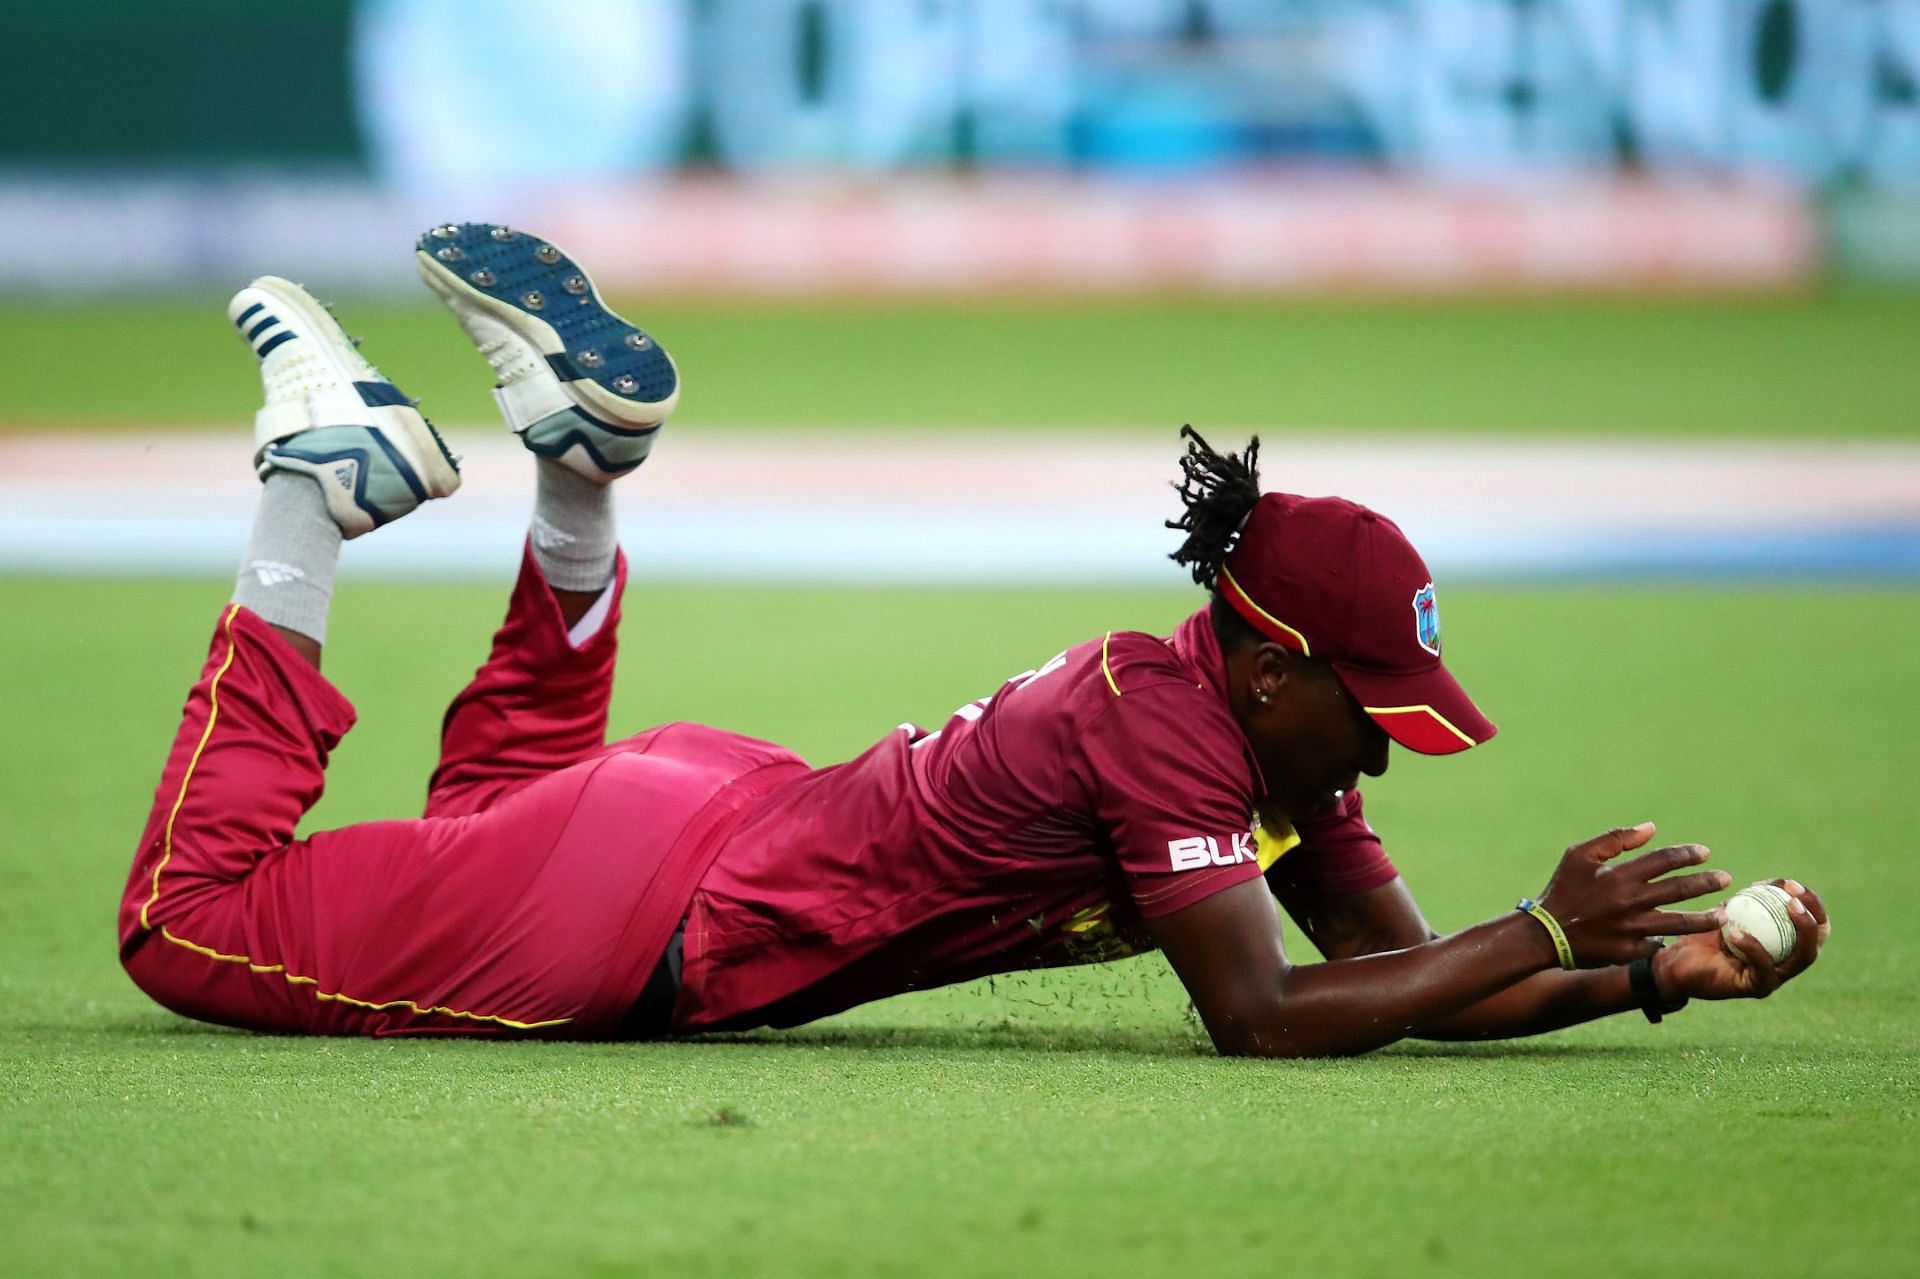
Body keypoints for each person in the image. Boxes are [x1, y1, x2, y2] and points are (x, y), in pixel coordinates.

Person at [119, 223, 1828, 1056]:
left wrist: (1647, 977)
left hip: (681, 819)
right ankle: (307, 495)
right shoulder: (1165, 729)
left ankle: (576, 478)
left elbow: (1400, 987)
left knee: (484, 804)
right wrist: (1538, 921)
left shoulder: (1258, 743)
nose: (1384, 743)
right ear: (1267, 659)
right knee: (187, 926)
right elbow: (1269, 1017)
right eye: (1370, 705)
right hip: (657, 900)